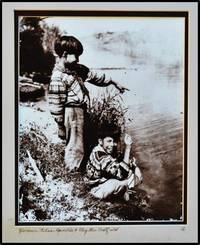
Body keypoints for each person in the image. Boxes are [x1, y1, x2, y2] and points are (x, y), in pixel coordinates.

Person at [48, 35, 128, 171]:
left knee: (87, 140)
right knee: (75, 145)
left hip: (81, 111)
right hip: (71, 113)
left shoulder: (76, 69)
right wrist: (60, 125)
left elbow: (96, 77)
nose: (78, 59)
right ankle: (72, 171)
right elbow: (56, 105)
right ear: (65, 54)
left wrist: (114, 82)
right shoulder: (58, 77)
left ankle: (87, 166)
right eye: (76, 56)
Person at [85, 132, 143, 201]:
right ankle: (125, 200)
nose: (112, 144)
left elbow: (114, 165)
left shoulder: (96, 150)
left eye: (113, 141)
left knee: (128, 173)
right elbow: (122, 174)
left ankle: (124, 196)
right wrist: (128, 147)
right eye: (109, 141)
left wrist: (129, 164)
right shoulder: (102, 158)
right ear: (100, 141)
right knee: (134, 179)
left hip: (94, 186)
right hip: (96, 192)